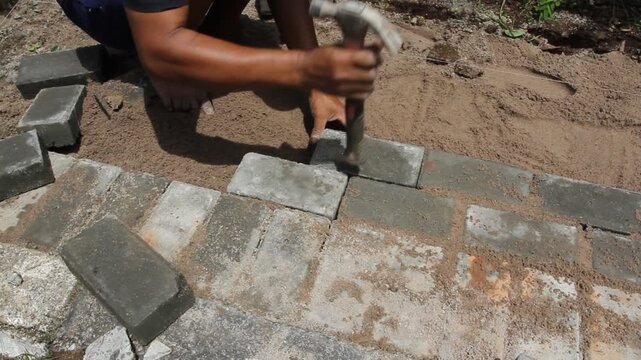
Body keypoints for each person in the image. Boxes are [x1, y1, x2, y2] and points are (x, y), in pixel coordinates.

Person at [57, 0, 382, 143]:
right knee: (161, 49)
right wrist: (165, 57)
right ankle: (154, 36)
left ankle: (214, 26)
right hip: (105, 9)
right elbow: (160, 49)